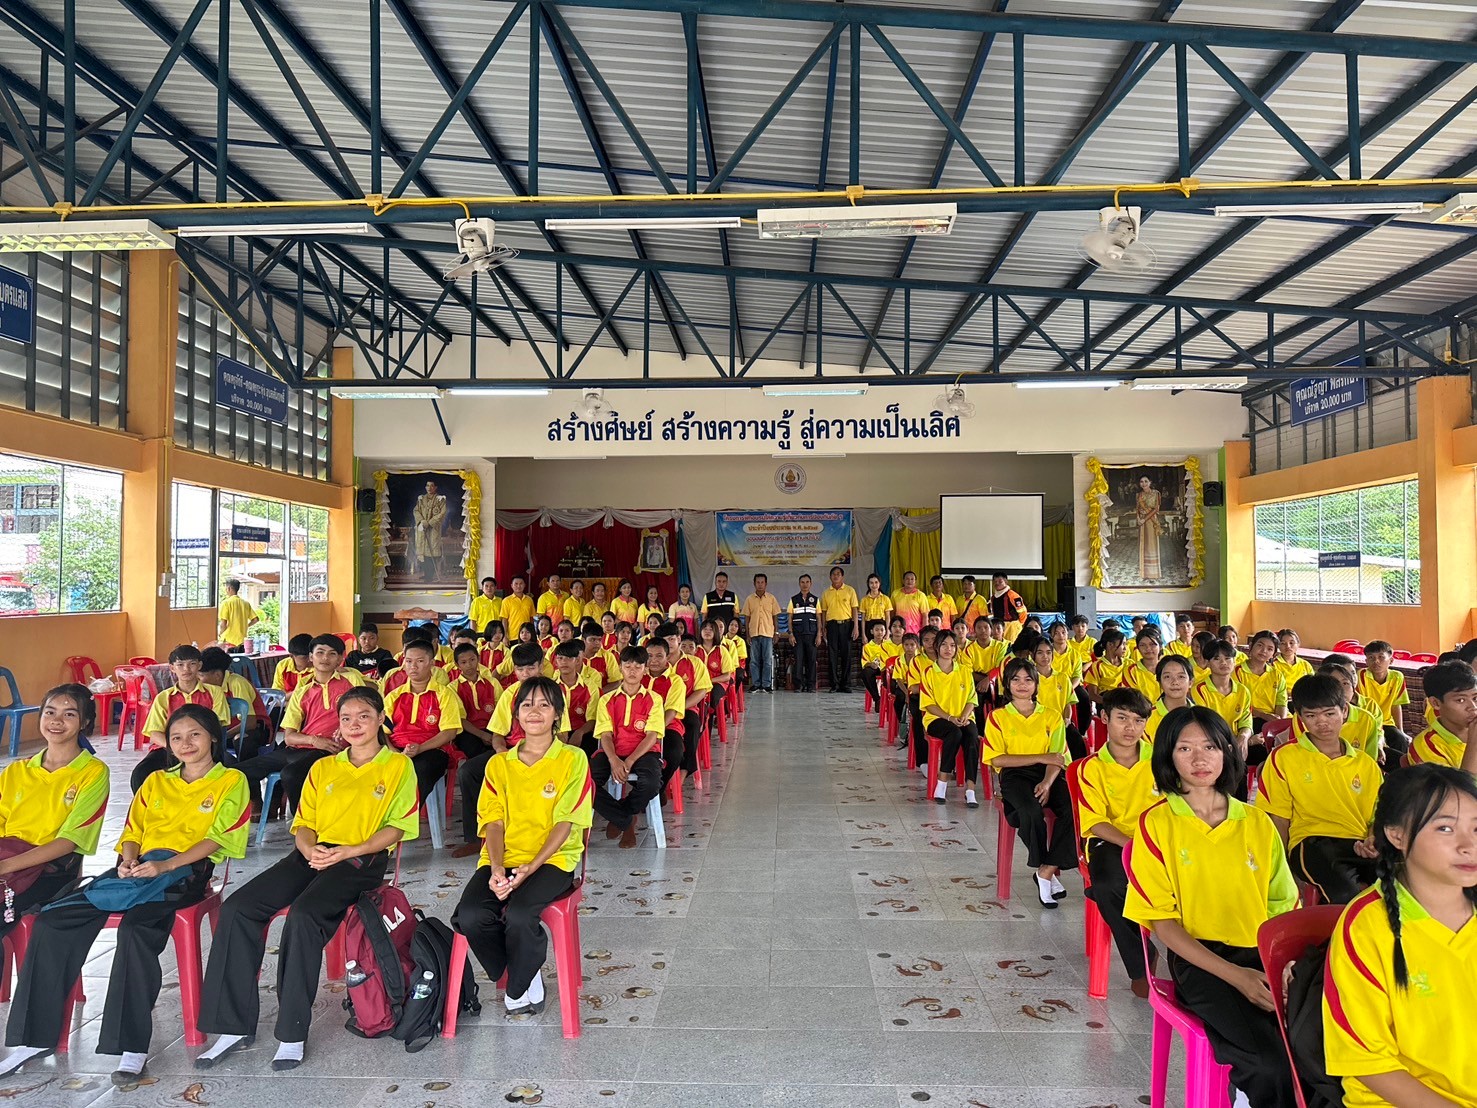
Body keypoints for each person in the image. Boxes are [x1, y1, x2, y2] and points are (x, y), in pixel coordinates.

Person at [0, 705, 249, 1084]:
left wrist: (166, 866)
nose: (185, 744)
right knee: (52, 921)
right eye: (176, 737)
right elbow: (132, 832)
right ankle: (31, 1040)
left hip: (185, 873)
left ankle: (131, 1047)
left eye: (194, 735)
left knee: (136, 931)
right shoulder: (156, 781)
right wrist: (129, 860)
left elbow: (218, 838)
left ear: (213, 736)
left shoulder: (231, 780)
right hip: (139, 870)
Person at [195, 686, 417, 1072]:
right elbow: (304, 823)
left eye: (364, 716)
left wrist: (348, 851)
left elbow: (397, 828)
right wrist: (311, 849)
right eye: (346, 718)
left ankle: (292, 1031)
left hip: (360, 859)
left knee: (304, 915)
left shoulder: (397, 766)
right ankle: (231, 1026)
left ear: (381, 719)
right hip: (311, 854)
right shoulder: (323, 768)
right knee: (239, 908)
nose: (354, 725)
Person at [1124, 705, 1298, 1108]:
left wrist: (1287, 967)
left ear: (1227, 752)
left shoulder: (1256, 822)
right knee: (1269, 1064)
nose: (1199, 759)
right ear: (1167, 757)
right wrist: (1238, 977)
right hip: (1201, 960)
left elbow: (1283, 908)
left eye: (1210, 747)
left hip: (1263, 953)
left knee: (1320, 1051)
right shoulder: (1156, 824)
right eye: (1185, 749)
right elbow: (1164, 925)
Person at [1322, 763, 1477, 1106]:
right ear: (1397, 835)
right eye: (1445, 828)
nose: (1469, 845)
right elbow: (1367, 1063)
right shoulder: (1366, 928)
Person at [454, 677, 592, 1018]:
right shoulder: (498, 764)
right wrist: (496, 868)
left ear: (557, 714)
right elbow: (493, 823)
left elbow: (565, 823)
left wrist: (531, 867)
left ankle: (518, 983)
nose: (534, 711)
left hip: (553, 860)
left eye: (544, 705)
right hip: (503, 857)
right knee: (470, 916)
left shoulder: (573, 759)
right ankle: (523, 970)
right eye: (527, 704)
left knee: (519, 915)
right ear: (515, 714)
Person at [1256, 673, 1381, 906]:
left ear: (1344, 711)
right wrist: (1281, 869)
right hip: (1311, 843)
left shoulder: (1366, 764)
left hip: (1359, 843)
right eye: (1311, 715)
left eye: (1330, 714)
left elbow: (1377, 815)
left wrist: (1372, 840)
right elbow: (1278, 819)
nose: (1322, 723)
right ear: (1300, 717)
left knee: (1400, 888)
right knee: (1345, 895)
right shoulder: (1284, 757)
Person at [0, 685, 109, 942]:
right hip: (7, 860)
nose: (56, 721)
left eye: (69, 714)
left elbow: (69, 841)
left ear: (85, 722)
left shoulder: (93, 772)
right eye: (50, 712)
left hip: (52, 870)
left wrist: (5, 866)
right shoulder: (17, 770)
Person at [1074, 687, 1156, 997]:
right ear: (1105, 718)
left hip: (1158, 841)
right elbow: (1095, 822)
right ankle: (1141, 966)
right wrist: (1132, 844)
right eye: (1122, 718)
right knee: (1109, 884)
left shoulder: (1161, 760)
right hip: (1110, 840)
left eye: (1138, 720)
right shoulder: (1092, 767)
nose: (1130, 728)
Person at [982, 658, 1079, 908]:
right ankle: (1045, 869)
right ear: (1007, 684)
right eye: (1015, 679)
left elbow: (1057, 758)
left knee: (1075, 809)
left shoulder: (1052, 715)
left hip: (1049, 773)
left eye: (1028, 679)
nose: (1022, 684)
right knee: (1029, 811)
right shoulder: (997, 717)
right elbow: (997, 758)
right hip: (1014, 774)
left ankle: (1046, 870)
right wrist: (1039, 756)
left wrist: (1047, 782)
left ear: (1036, 684)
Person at [241, 635, 365, 812]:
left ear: (340, 659)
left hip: (331, 748)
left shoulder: (351, 680)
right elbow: (289, 737)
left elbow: (363, 712)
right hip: (300, 747)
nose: (325, 658)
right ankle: (258, 804)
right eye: (320, 653)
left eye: (332, 654)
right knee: (237, 772)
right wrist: (313, 740)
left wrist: (345, 729)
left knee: (291, 774)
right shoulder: (302, 691)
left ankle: (304, 820)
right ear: (311, 657)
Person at [594, 647, 668, 848]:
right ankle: (626, 820)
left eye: (637, 666)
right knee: (585, 782)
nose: (632, 671)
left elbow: (652, 736)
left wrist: (629, 761)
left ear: (645, 669)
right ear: (620, 668)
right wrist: (614, 760)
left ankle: (622, 814)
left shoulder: (654, 699)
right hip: (612, 751)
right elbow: (605, 735)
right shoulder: (606, 699)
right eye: (627, 666)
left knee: (652, 783)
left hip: (644, 752)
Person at [133, 644, 232, 792]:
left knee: (227, 774)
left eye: (192, 664)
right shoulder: (163, 698)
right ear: (172, 668)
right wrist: (176, 749)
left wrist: (194, 747)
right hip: (168, 749)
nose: (186, 669)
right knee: (140, 774)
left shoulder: (214, 693)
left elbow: (216, 726)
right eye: (180, 665)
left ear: (199, 665)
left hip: (204, 749)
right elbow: (154, 733)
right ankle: (150, 806)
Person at [383, 639, 464, 805]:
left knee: (421, 770)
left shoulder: (444, 694)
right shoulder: (394, 696)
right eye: (408, 661)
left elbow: (449, 732)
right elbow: (382, 731)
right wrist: (394, 752)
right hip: (397, 749)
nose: (413, 666)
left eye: (420, 661)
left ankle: (405, 816)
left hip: (431, 749)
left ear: (432, 663)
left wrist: (420, 748)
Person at [920, 631, 981, 808]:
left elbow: (972, 699)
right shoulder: (929, 672)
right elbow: (928, 704)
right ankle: (942, 782)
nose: (949, 649)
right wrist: (950, 718)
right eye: (944, 645)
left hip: (963, 717)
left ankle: (970, 789)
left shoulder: (964, 671)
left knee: (971, 736)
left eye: (953, 645)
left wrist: (964, 716)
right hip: (937, 719)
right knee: (954, 733)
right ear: (936, 647)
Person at [1192, 640, 1256, 781]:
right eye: (1217, 659)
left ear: (1234, 661)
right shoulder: (1199, 690)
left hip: (1234, 742)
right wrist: (1233, 744)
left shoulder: (1242, 691)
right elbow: (1205, 725)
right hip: (1210, 742)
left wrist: (1244, 737)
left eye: (1228, 658)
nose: (1223, 663)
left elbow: (1246, 721)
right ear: (1207, 663)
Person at [199, 647, 269, 763]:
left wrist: (223, 735)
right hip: (226, 731)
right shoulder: (206, 689)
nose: (198, 680)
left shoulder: (237, 683)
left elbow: (250, 723)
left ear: (217, 675)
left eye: (201, 675)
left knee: (242, 740)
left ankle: (247, 771)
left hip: (256, 729)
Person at [1409, 661, 1477, 774]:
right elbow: (1459, 786)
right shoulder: (1427, 746)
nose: (1473, 707)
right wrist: (1474, 744)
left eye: (1475, 698)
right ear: (1435, 703)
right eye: (1460, 700)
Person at [1357, 640, 1412, 763]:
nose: (1376, 661)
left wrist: (1401, 730)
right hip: (1369, 722)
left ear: (1391, 660)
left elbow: (1396, 705)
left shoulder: (1397, 677)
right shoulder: (1362, 676)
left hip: (1386, 722)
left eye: (1381, 657)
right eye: (1371, 658)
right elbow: (1362, 705)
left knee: (1400, 740)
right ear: (1366, 661)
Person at [1031, 635, 1082, 759]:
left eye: (1049, 652)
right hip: (1037, 725)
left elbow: (1067, 704)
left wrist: (1067, 719)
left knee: (1077, 742)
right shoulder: (1029, 679)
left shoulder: (1063, 677)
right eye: (1040, 653)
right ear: (1032, 655)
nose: (1045, 656)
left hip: (1060, 723)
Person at [819, 566, 860, 694]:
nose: (836, 576)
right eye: (833, 574)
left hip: (846, 625)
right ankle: (834, 684)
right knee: (832, 656)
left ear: (842, 576)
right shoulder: (826, 593)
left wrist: (856, 627)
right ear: (830, 577)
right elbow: (823, 612)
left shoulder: (850, 590)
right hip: (831, 626)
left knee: (846, 655)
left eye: (838, 574)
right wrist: (823, 627)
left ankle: (845, 684)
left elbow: (854, 609)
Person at [1240, 631, 1288, 730]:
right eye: (1260, 645)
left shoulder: (1277, 675)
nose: (1264, 651)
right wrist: (1264, 715)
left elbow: (1281, 703)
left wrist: (1279, 722)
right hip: (1247, 719)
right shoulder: (1237, 672)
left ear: (1274, 654)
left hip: (1272, 719)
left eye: (1270, 649)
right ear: (1250, 646)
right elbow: (1238, 704)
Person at [1147, 654, 1196, 741]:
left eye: (1181, 676)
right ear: (1160, 683)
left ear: (1190, 682)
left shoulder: (1200, 715)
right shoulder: (1147, 717)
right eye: (1167, 677)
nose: (1175, 682)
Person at [786, 574, 821, 693]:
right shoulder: (794, 599)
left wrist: (819, 634)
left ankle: (811, 685)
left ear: (811, 584)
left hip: (812, 634)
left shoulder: (815, 600)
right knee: (798, 660)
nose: (805, 584)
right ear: (799, 584)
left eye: (807, 582)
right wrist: (790, 634)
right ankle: (798, 685)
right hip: (797, 635)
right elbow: (790, 618)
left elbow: (819, 618)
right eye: (802, 582)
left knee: (811, 660)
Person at [413, 480, 448, 580]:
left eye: (432, 486)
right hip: (423, 528)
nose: (429, 488)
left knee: (431, 552)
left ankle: (430, 576)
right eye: (427, 485)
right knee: (423, 552)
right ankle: (426, 573)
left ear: (435, 487)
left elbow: (442, 513)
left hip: (433, 529)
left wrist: (430, 522)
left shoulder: (440, 499)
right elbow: (416, 510)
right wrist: (422, 521)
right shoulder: (421, 499)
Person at [1083, 629, 1128, 705]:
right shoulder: (1097, 666)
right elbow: (1092, 695)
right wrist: (1111, 704)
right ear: (1110, 645)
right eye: (1122, 644)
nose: (1125, 648)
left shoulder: (1129, 664)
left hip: (1126, 700)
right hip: (1106, 702)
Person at [216, 578, 259, 653]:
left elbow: (223, 624)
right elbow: (255, 619)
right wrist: (246, 626)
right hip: (242, 642)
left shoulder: (226, 603)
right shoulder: (245, 604)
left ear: (229, 588)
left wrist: (221, 634)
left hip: (229, 642)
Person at [1121, 629, 1163, 704]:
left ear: (1160, 646)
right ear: (1138, 648)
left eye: (1152, 644)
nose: (1148, 648)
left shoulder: (1168, 668)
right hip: (1142, 710)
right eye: (1142, 645)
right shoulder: (1131, 670)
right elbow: (1131, 698)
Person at [988, 573, 1028, 643]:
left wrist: (1018, 624)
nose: (997, 583)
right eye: (995, 581)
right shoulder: (993, 598)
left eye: (1000, 581)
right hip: (998, 627)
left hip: (1012, 627)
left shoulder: (1012, 595)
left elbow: (1023, 612)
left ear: (1006, 582)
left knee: (1011, 647)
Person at [860, 620, 891, 711]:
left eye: (882, 630)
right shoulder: (867, 646)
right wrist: (871, 664)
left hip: (886, 668)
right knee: (865, 673)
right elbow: (864, 662)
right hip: (874, 668)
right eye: (877, 630)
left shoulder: (888, 644)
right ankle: (877, 698)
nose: (879, 632)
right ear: (872, 631)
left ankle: (888, 700)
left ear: (885, 632)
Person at [498, 576, 536, 648]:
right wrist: (505, 636)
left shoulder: (529, 600)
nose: (518, 586)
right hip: (512, 636)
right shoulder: (506, 601)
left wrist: (532, 634)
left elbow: (531, 618)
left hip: (526, 636)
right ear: (511, 585)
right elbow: (504, 620)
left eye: (521, 583)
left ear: (524, 585)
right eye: (516, 584)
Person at [891, 571, 929, 635]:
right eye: (907, 579)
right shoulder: (895, 594)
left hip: (915, 631)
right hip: (899, 630)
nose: (909, 581)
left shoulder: (921, 595)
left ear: (915, 581)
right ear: (903, 581)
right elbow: (892, 613)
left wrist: (924, 632)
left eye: (912, 579)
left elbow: (925, 616)